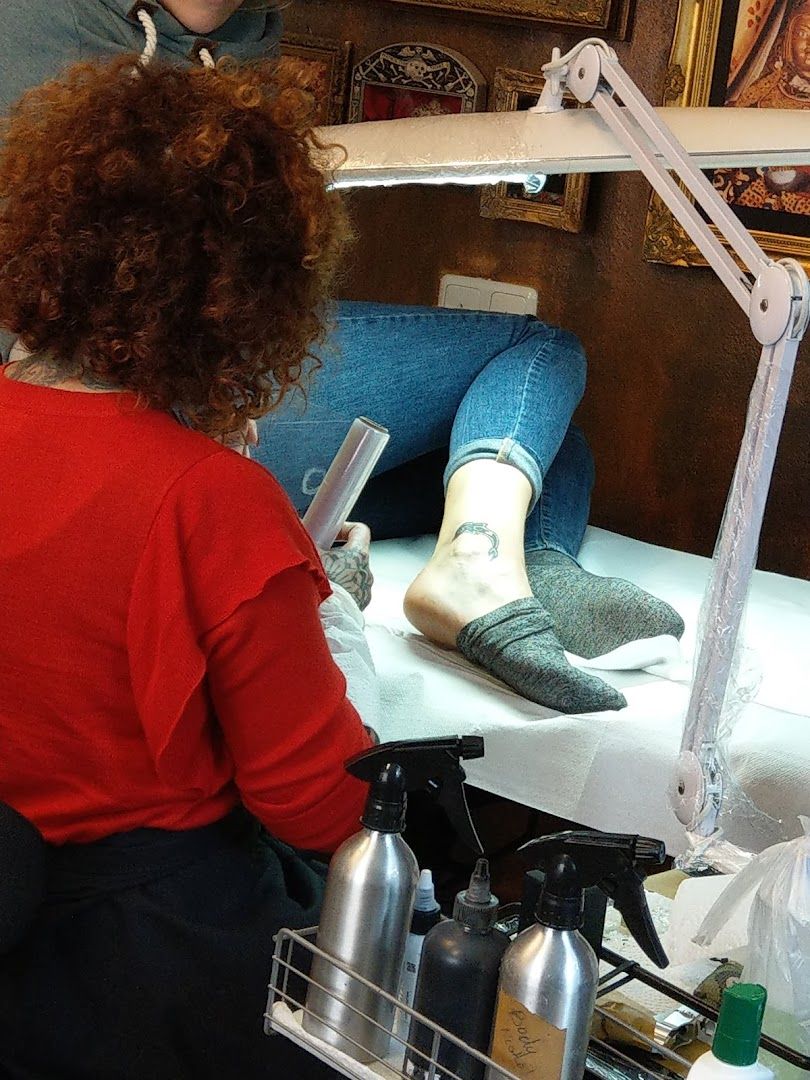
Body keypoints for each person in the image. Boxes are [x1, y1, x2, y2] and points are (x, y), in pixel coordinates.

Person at [0, 0, 685, 714]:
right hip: (126, 402)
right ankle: (483, 565)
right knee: (535, 352)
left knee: (524, 443)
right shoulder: (63, 22)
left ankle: (507, 560)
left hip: (155, 388)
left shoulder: (234, 33)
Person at [0, 56, 373, 1078]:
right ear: (248, 292)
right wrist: (328, 628)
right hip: (135, 970)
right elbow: (316, 800)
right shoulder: (215, 504)